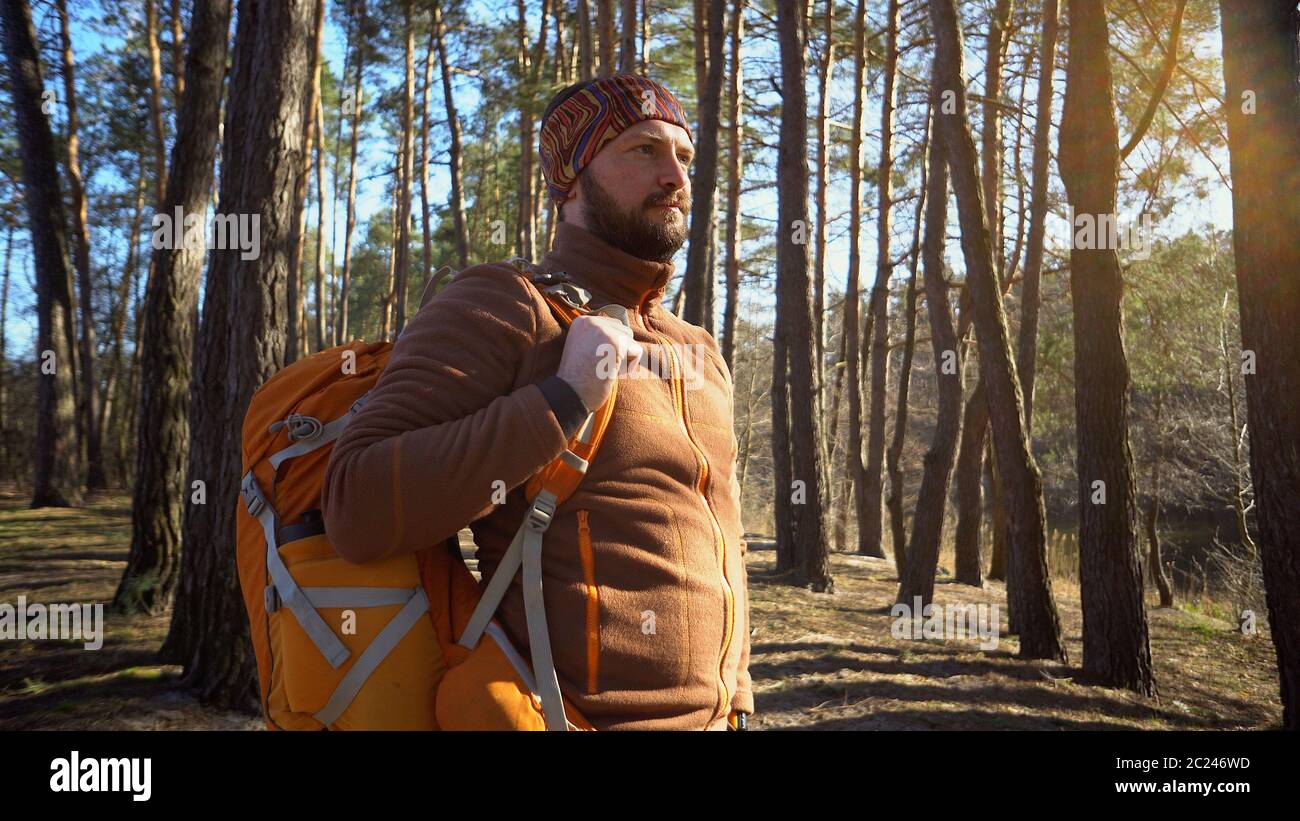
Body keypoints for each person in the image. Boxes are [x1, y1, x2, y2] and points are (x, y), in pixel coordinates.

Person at [322, 74, 752, 731]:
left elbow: (726, 547)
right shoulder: (507, 303)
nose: (675, 175)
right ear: (571, 178)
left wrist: (742, 700)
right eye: (642, 150)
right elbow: (357, 503)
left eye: (684, 156)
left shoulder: (700, 349)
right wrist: (566, 395)